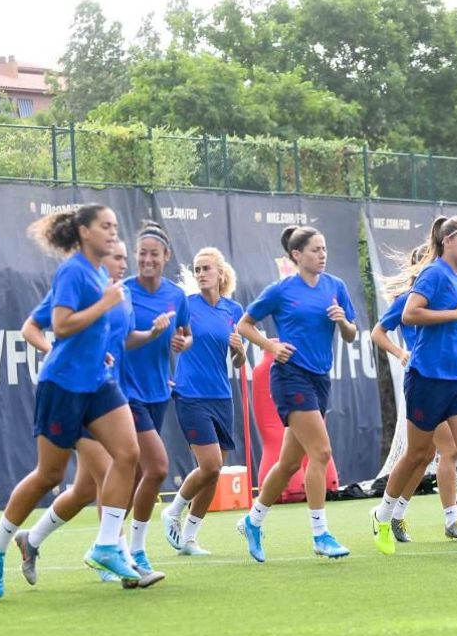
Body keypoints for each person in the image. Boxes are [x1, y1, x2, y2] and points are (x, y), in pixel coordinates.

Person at [0, 205, 145, 598]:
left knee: (128, 453)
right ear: (84, 231)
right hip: (63, 385)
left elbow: (87, 328)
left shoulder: (100, 273)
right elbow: (61, 322)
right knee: (49, 476)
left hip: (98, 383)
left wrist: (101, 350)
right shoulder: (72, 270)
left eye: (115, 227)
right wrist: (103, 306)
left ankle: (107, 546)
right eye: (105, 226)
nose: (112, 233)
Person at [15, 239, 170, 588]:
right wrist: (55, 349)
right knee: (114, 474)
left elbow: (126, 338)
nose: (122, 263)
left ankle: (31, 540)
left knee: (86, 489)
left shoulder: (121, 295)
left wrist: (153, 334)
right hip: (77, 394)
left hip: (108, 396)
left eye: (123, 258)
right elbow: (32, 326)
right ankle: (119, 559)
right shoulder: (80, 285)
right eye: (115, 256)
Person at [371, 216, 457, 555]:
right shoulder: (432, 274)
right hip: (426, 377)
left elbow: (454, 320)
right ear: (448, 241)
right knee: (417, 454)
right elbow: (410, 314)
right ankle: (383, 515)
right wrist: (453, 318)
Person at [236, 225, 358, 562]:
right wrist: (269, 345)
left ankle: (253, 520)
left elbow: (351, 334)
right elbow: (244, 324)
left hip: (320, 380)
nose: (322, 255)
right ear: (297, 255)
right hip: (290, 378)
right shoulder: (280, 290)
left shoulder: (336, 287)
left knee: (289, 463)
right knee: (320, 452)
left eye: (324, 249)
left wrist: (343, 321)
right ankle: (321, 535)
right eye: (315, 250)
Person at [369, 244, 457, 542]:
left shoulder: (447, 296)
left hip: (447, 377)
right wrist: (400, 353)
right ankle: (452, 519)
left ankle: (396, 515)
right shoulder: (408, 300)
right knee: (445, 450)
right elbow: (378, 332)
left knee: (424, 455)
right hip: (424, 378)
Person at [160, 247, 247, 556]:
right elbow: (168, 340)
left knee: (215, 471)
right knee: (209, 464)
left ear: (220, 273)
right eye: (197, 269)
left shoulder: (233, 310)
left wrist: (240, 350)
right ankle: (173, 511)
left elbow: (237, 362)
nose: (201, 274)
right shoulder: (186, 305)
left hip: (221, 396)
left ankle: (190, 539)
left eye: (206, 268)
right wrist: (162, 370)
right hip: (190, 394)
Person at [121, 223, 191, 580]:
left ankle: (109, 549)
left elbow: (185, 335)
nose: (147, 259)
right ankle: (135, 551)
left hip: (158, 392)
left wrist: (180, 344)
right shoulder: (122, 292)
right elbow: (119, 341)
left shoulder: (176, 296)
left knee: (132, 478)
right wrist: (151, 334)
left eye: (154, 254)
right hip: (125, 392)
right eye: (142, 253)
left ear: (166, 257)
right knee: (158, 468)